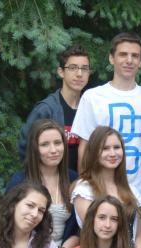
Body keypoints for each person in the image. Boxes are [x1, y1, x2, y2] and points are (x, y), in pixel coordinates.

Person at [71, 32, 141, 209]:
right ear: (111, 58)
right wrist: (88, 189)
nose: (129, 60)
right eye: (123, 54)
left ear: (140, 61)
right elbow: (84, 148)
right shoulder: (93, 97)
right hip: (102, 198)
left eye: (135, 56)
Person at [8, 119, 80, 248]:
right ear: (35, 148)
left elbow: (81, 227)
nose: (53, 150)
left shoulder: (74, 179)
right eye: (45, 144)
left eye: (57, 143)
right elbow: (7, 224)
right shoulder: (20, 181)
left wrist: (66, 247)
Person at [70, 126, 141, 248]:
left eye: (116, 147)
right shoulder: (84, 190)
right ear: (94, 153)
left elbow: (139, 237)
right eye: (105, 148)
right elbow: (96, 231)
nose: (112, 153)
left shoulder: (132, 190)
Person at [18, 44, 91, 173]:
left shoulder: (90, 109)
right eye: (73, 68)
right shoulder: (46, 110)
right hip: (53, 181)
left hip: (82, 181)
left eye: (84, 69)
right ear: (61, 72)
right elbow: (25, 147)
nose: (79, 74)